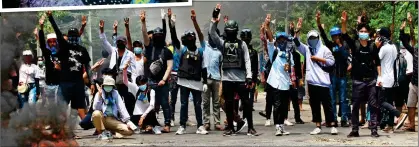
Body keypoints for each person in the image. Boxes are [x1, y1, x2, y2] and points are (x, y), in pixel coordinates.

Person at [209, 4, 257, 136]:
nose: (230, 34)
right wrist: (214, 18)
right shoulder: (222, 43)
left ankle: (251, 127)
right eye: (228, 31)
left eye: (232, 31)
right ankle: (230, 127)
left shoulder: (242, 44)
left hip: (241, 79)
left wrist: (249, 76)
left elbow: (247, 60)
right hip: (228, 79)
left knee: (246, 103)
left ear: (236, 32)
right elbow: (212, 34)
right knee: (229, 105)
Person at [293, 17, 337, 135]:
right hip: (312, 83)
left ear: (318, 38)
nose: (312, 40)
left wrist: (318, 59)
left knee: (327, 105)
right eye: (310, 38)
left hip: (323, 82)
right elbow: (297, 43)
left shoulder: (325, 49)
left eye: (314, 38)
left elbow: (331, 62)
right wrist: (297, 30)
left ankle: (332, 124)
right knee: (315, 105)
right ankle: (318, 125)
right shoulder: (307, 49)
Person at [340, 11, 380, 138]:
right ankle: (355, 130)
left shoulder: (373, 47)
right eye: (361, 31)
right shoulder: (355, 45)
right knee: (355, 105)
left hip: (371, 81)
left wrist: (380, 77)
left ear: (369, 34)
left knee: (373, 105)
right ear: (358, 33)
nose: (363, 33)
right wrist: (344, 23)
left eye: (365, 31)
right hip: (357, 80)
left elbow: (378, 62)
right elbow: (344, 35)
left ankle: (374, 129)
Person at [47, 11, 92, 121]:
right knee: (62, 107)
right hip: (65, 83)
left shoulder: (82, 50)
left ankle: (79, 127)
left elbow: (87, 66)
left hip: (78, 83)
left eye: (75, 36)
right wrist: (51, 18)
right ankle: (60, 130)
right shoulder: (64, 47)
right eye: (71, 36)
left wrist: (91, 82)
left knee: (77, 108)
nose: (73, 38)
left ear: (78, 37)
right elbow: (58, 32)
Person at [173, 9, 209, 135]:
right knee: (183, 104)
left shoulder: (200, 51)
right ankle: (182, 125)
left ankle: (200, 125)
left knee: (198, 105)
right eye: (188, 37)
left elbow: (204, 67)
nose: (190, 39)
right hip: (183, 81)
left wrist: (205, 82)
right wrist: (172, 24)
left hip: (197, 82)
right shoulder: (182, 50)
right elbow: (175, 40)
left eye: (191, 37)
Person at [316, 11, 351, 127]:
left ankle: (344, 119)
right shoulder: (330, 45)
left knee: (343, 99)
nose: (335, 38)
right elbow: (323, 35)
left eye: (336, 36)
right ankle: (333, 119)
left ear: (340, 36)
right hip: (332, 76)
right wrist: (319, 23)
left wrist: (340, 46)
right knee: (331, 99)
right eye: (333, 36)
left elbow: (346, 56)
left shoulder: (345, 45)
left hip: (342, 76)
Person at [141, 10, 173, 133]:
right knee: (150, 104)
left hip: (162, 82)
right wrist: (143, 22)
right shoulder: (149, 48)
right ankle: (150, 124)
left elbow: (169, 67)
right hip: (151, 81)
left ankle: (167, 124)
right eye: (156, 35)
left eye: (160, 35)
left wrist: (164, 80)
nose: (158, 37)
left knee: (165, 103)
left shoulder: (167, 51)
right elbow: (144, 35)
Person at [263, 14, 295, 136]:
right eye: (280, 40)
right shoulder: (274, 51)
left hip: (285, 84)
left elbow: (290, 67)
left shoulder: (289, 54)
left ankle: (281, 126)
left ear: (286, 41)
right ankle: (277, 126)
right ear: (278, 41)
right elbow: (270, 39)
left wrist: (288, 66)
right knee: (276, 105)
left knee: (283, 107)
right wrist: (267, 25)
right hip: (276, 83)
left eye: (284, 40)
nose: (282, 42)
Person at [99, 19, 136, 117]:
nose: (120, 43)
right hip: (113, 78)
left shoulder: (130, 54)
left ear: (125, 43)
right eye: (118, 41)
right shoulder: (113, 50)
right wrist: (101, 29)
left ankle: (130, 118)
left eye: (122, 41)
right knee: (114, 99)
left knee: (128, 99)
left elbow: (134, 69)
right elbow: (104, 41)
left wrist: (134, 82)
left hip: (125, 79)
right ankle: (115, 117)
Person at [375, 27, 408, 132]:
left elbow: (376, 59)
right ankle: (390, 125)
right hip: (393, 77)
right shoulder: (393, 46)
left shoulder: (384, 48)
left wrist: (376, 47)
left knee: (381, 101)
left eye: (379, 35)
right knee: (389, 101)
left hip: (384, 78)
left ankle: (399, 114)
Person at [123, 63, 161, 134]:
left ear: (146, 82)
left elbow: (152, 105)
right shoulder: (137, 89)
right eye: (139, 84)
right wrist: (124, 70)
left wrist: (143, 117)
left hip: (147, 114)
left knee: (151, 113)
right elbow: (125, 82)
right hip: (137, 114)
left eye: (143, 83)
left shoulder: (151, 91)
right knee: (128, 126)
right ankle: (142, 127)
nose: (141, 85)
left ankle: (152, 126)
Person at [202, 12, 224, 132]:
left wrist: (221, 81)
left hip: (216, 78)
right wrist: (214, 22)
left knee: (216, 103)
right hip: (205, 79)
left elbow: (221, 66)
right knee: (205, 103)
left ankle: (217, 123)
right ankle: (206, 123)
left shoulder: (220, 51)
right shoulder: (204, 46)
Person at [38, 16, 62, 104]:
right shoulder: (47, 52)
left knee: (59, 106)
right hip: (48, 85)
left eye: (54, 41)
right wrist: (41, 27)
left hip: (59, 85)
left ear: (56, 42)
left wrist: (60, 68)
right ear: (48, 43)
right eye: (50, 41)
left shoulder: (61, 53)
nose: (52, 43)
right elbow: (41, 42)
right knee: (51, 107)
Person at [400, 14, 418, 132]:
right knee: (411, 105)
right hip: (414, 82)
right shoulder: (415, 50)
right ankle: (411, 124)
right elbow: (408, 42)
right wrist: (403, 29)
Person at [240, 29, 258, 112]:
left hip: (248, 75)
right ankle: (244, 104)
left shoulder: (253, 52)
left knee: (250, 91)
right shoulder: (240, 50)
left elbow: (255, 67)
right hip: (242, 74)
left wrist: (254, 79)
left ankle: (248, 105)